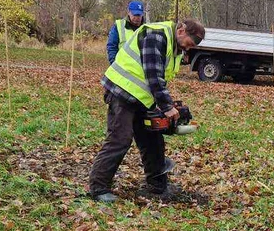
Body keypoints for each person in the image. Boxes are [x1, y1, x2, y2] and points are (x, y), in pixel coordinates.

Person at [87, 17, 206, 202]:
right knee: (120, 139)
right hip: (122, 92)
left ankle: (157, 186)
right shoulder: (156, 35)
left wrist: (166, 104)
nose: (188, 49)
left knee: (153, 140)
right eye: (189, 44)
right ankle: (99, 188)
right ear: (181, 30)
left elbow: (161, 79)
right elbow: (153, 74)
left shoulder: (175, 47)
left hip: (142, 98)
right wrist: (166, 106)